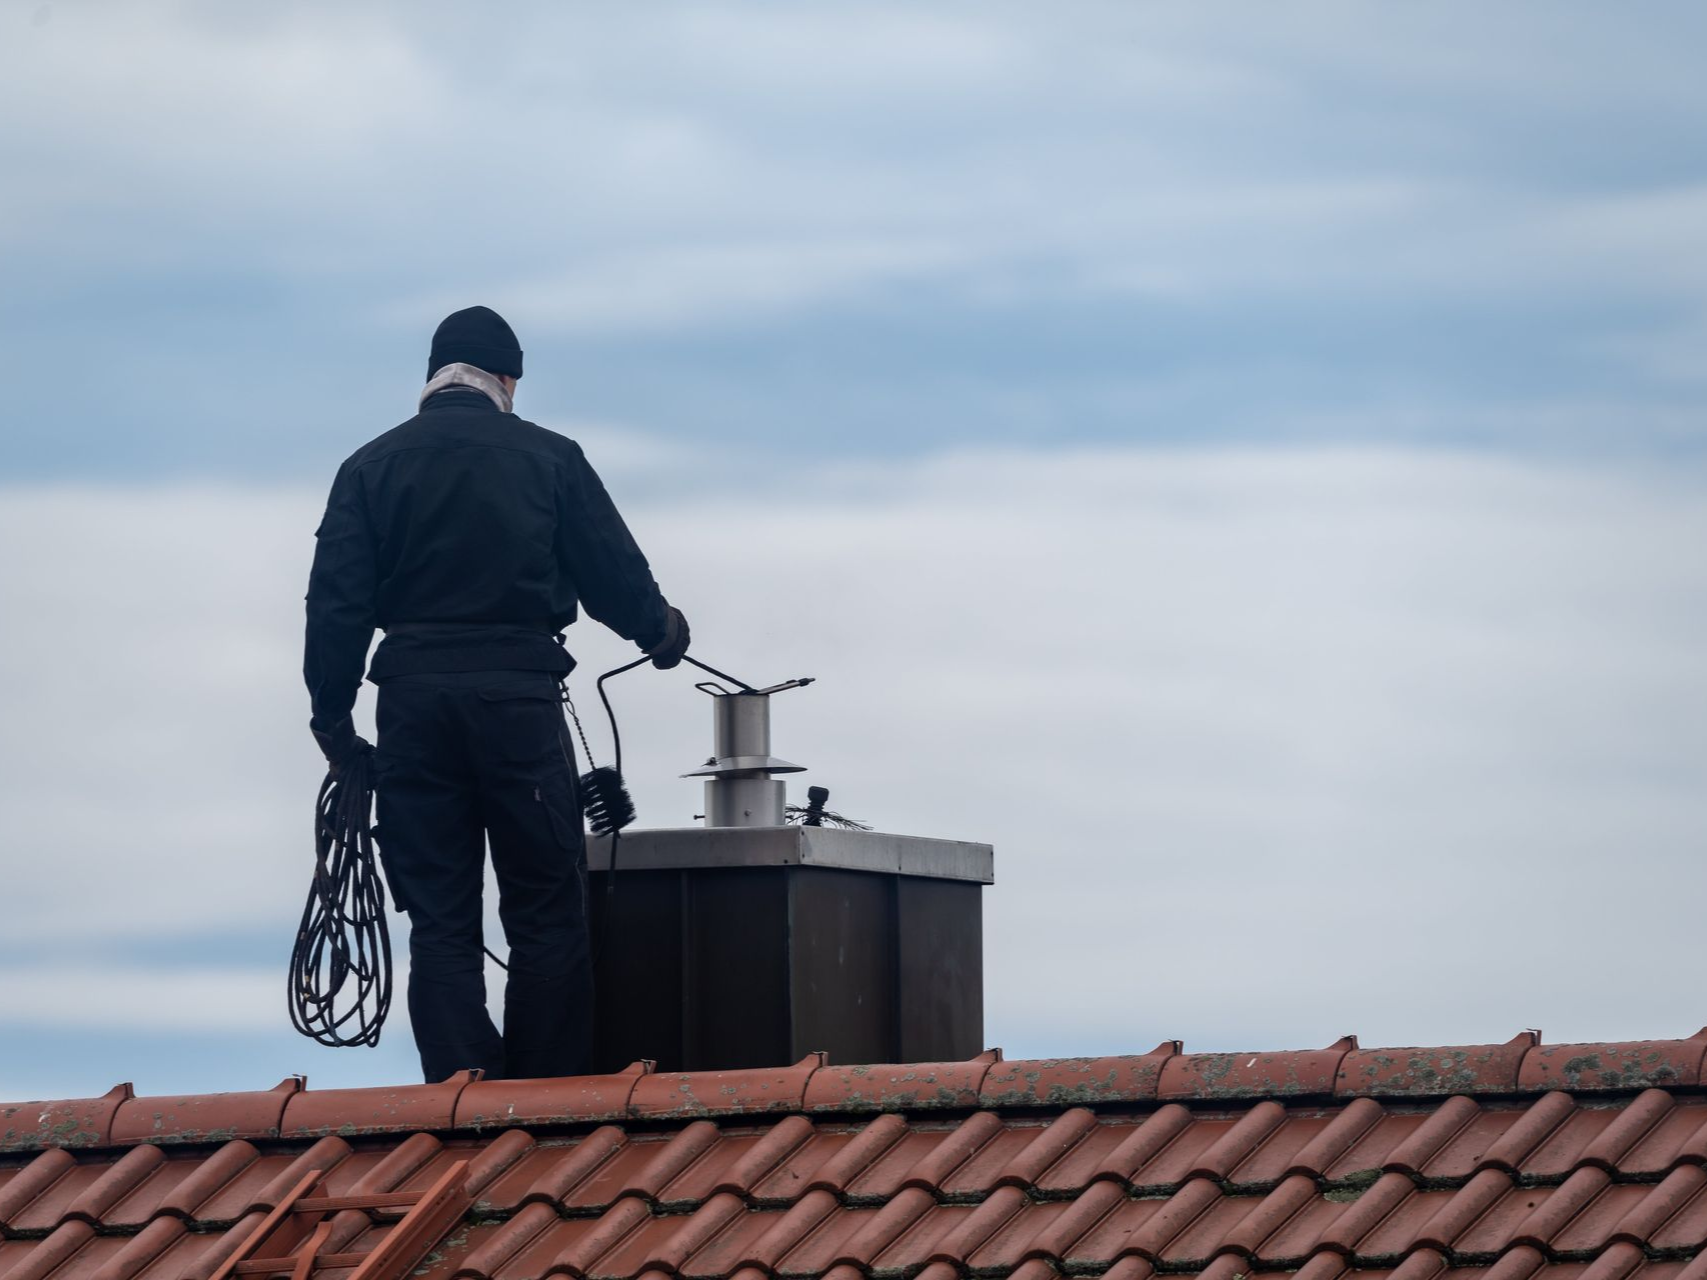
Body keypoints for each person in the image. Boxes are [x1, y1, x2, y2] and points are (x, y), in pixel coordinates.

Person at [303, 305, 689, 1083]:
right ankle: (541, 1108)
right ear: (506, 378)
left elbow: (335, 605)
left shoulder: (368, 467)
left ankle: (461, 1102)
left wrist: (334, 722)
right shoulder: (550, 458)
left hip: (411, 705)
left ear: (433, 379)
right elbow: (610, 569)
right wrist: (660, 630)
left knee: (440, 921)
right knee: (546, 913)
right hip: (518, 700)